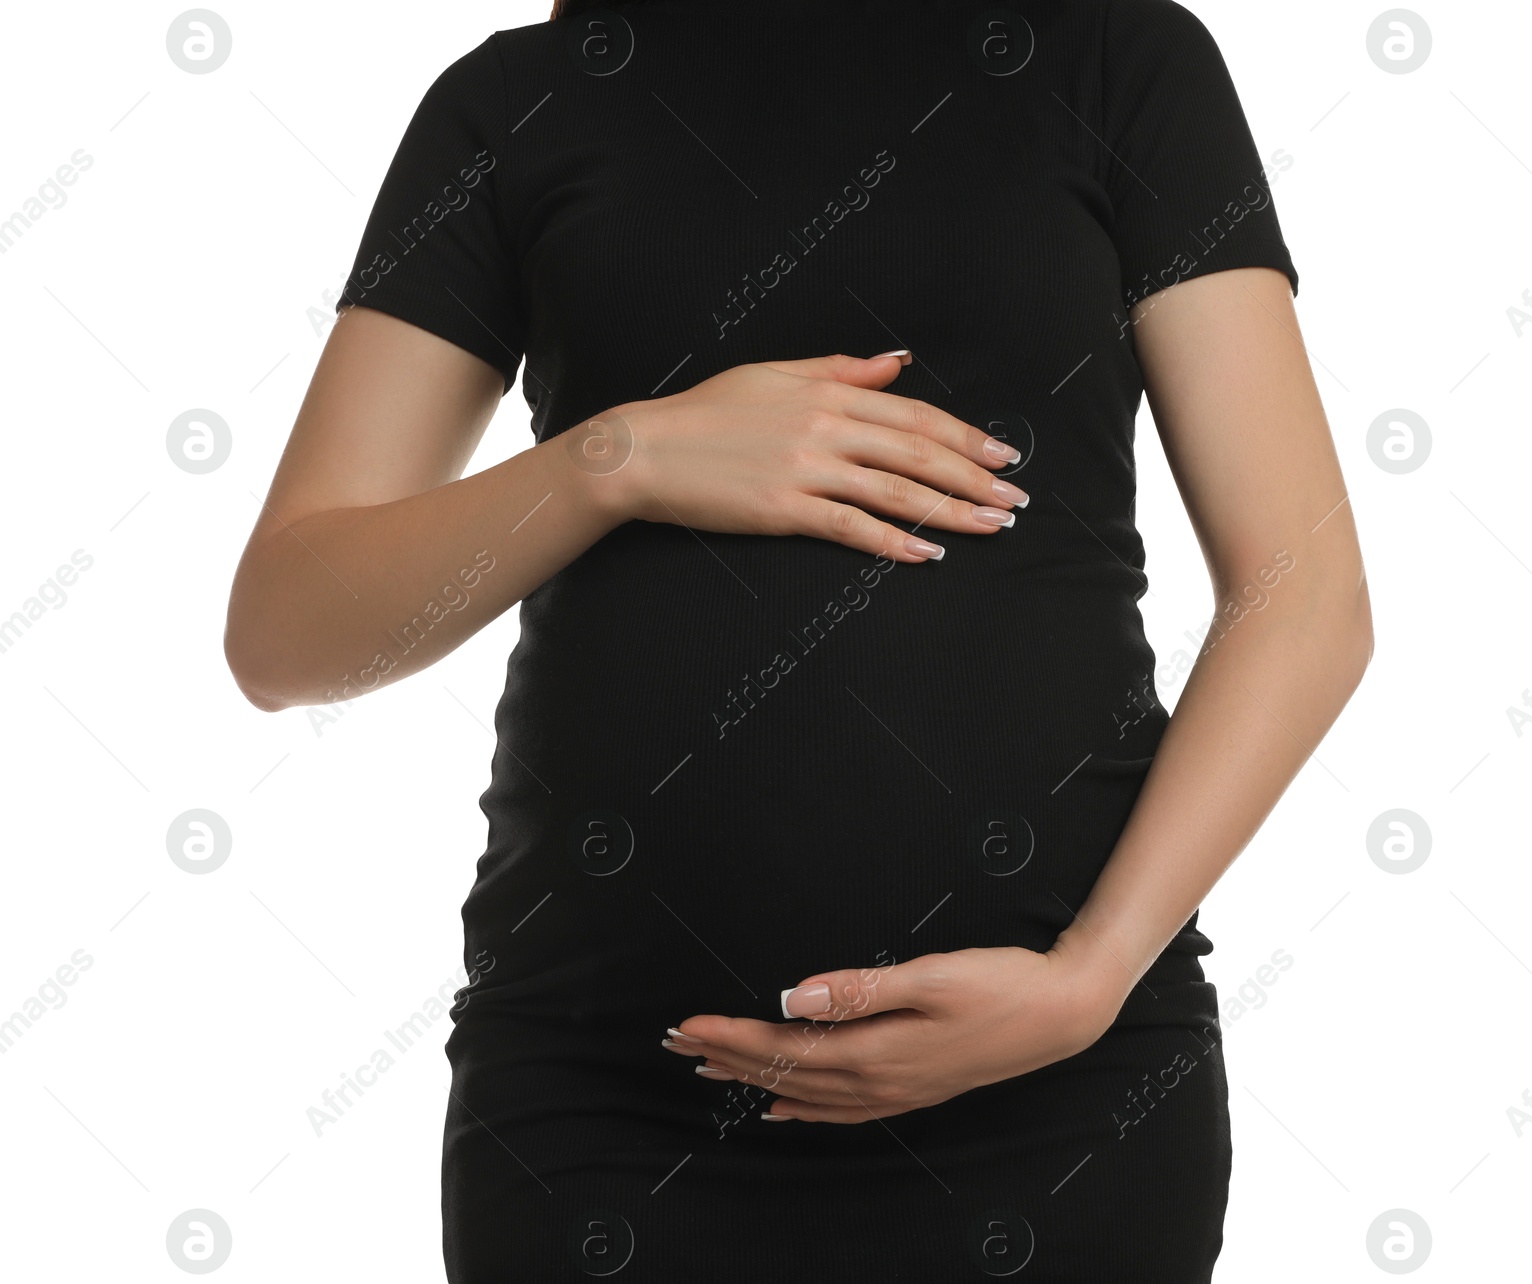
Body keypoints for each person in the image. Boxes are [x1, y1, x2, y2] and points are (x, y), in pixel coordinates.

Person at [224, 1, 1372, 1278]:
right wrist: (621, 457)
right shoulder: (519, 99)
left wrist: (1089, 978)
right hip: (606, 1106)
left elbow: (1304, 592)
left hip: (1055, 1096)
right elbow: (285, 632)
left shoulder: (1115, 57)